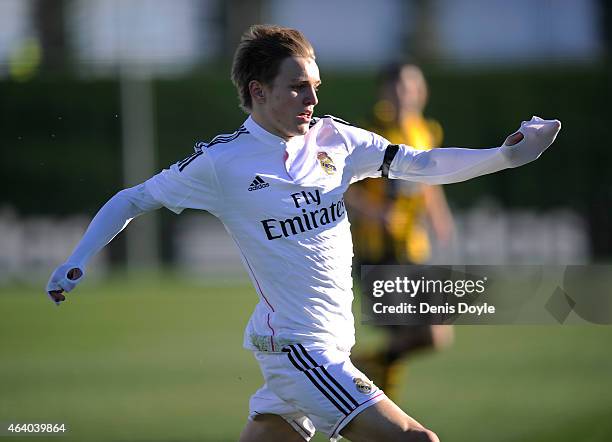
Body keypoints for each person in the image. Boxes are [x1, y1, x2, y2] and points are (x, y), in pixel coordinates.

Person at [46, 25, 561, 442]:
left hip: (332, 343)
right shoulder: (222, 163)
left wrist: (506, 155)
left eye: (315, 84)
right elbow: (133, 198)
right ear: (257, 91)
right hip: (299, 348)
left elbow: (421, 164)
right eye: (298, 86)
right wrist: (77, 260)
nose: (312, 97)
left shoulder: (337, 140)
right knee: (414, 440)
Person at [347, 64, 454, 401]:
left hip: (413, 248)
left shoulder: (426, 131)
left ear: (422, 91)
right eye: (397, 88)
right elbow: (342, 186)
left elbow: (428, 182)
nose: (405, 95)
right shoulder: (370, 133)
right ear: (384, 92)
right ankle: (360, 379)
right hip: (379, 250)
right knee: (426, 334)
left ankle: (362, 377)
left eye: (411, 87)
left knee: (426, 335)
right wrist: (374, 212)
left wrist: (440, 216)